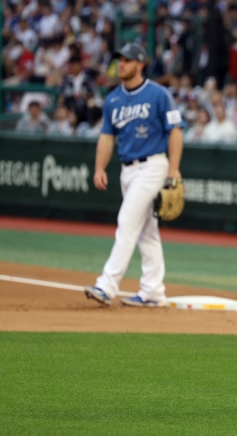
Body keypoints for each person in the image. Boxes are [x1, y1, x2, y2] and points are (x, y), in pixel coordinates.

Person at [84, 42, 183, 308]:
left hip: (153, 166)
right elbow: (106, 138)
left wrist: (173, 170)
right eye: (119, 60)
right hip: (127, 170)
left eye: (127, 60)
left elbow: (175, 131)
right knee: (146, 233)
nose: (121, 65)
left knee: (126, 221)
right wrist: (99, 168)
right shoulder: (113, 99)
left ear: (140, 64)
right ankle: (153, 291)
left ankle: (106, 285)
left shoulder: (159, 95)